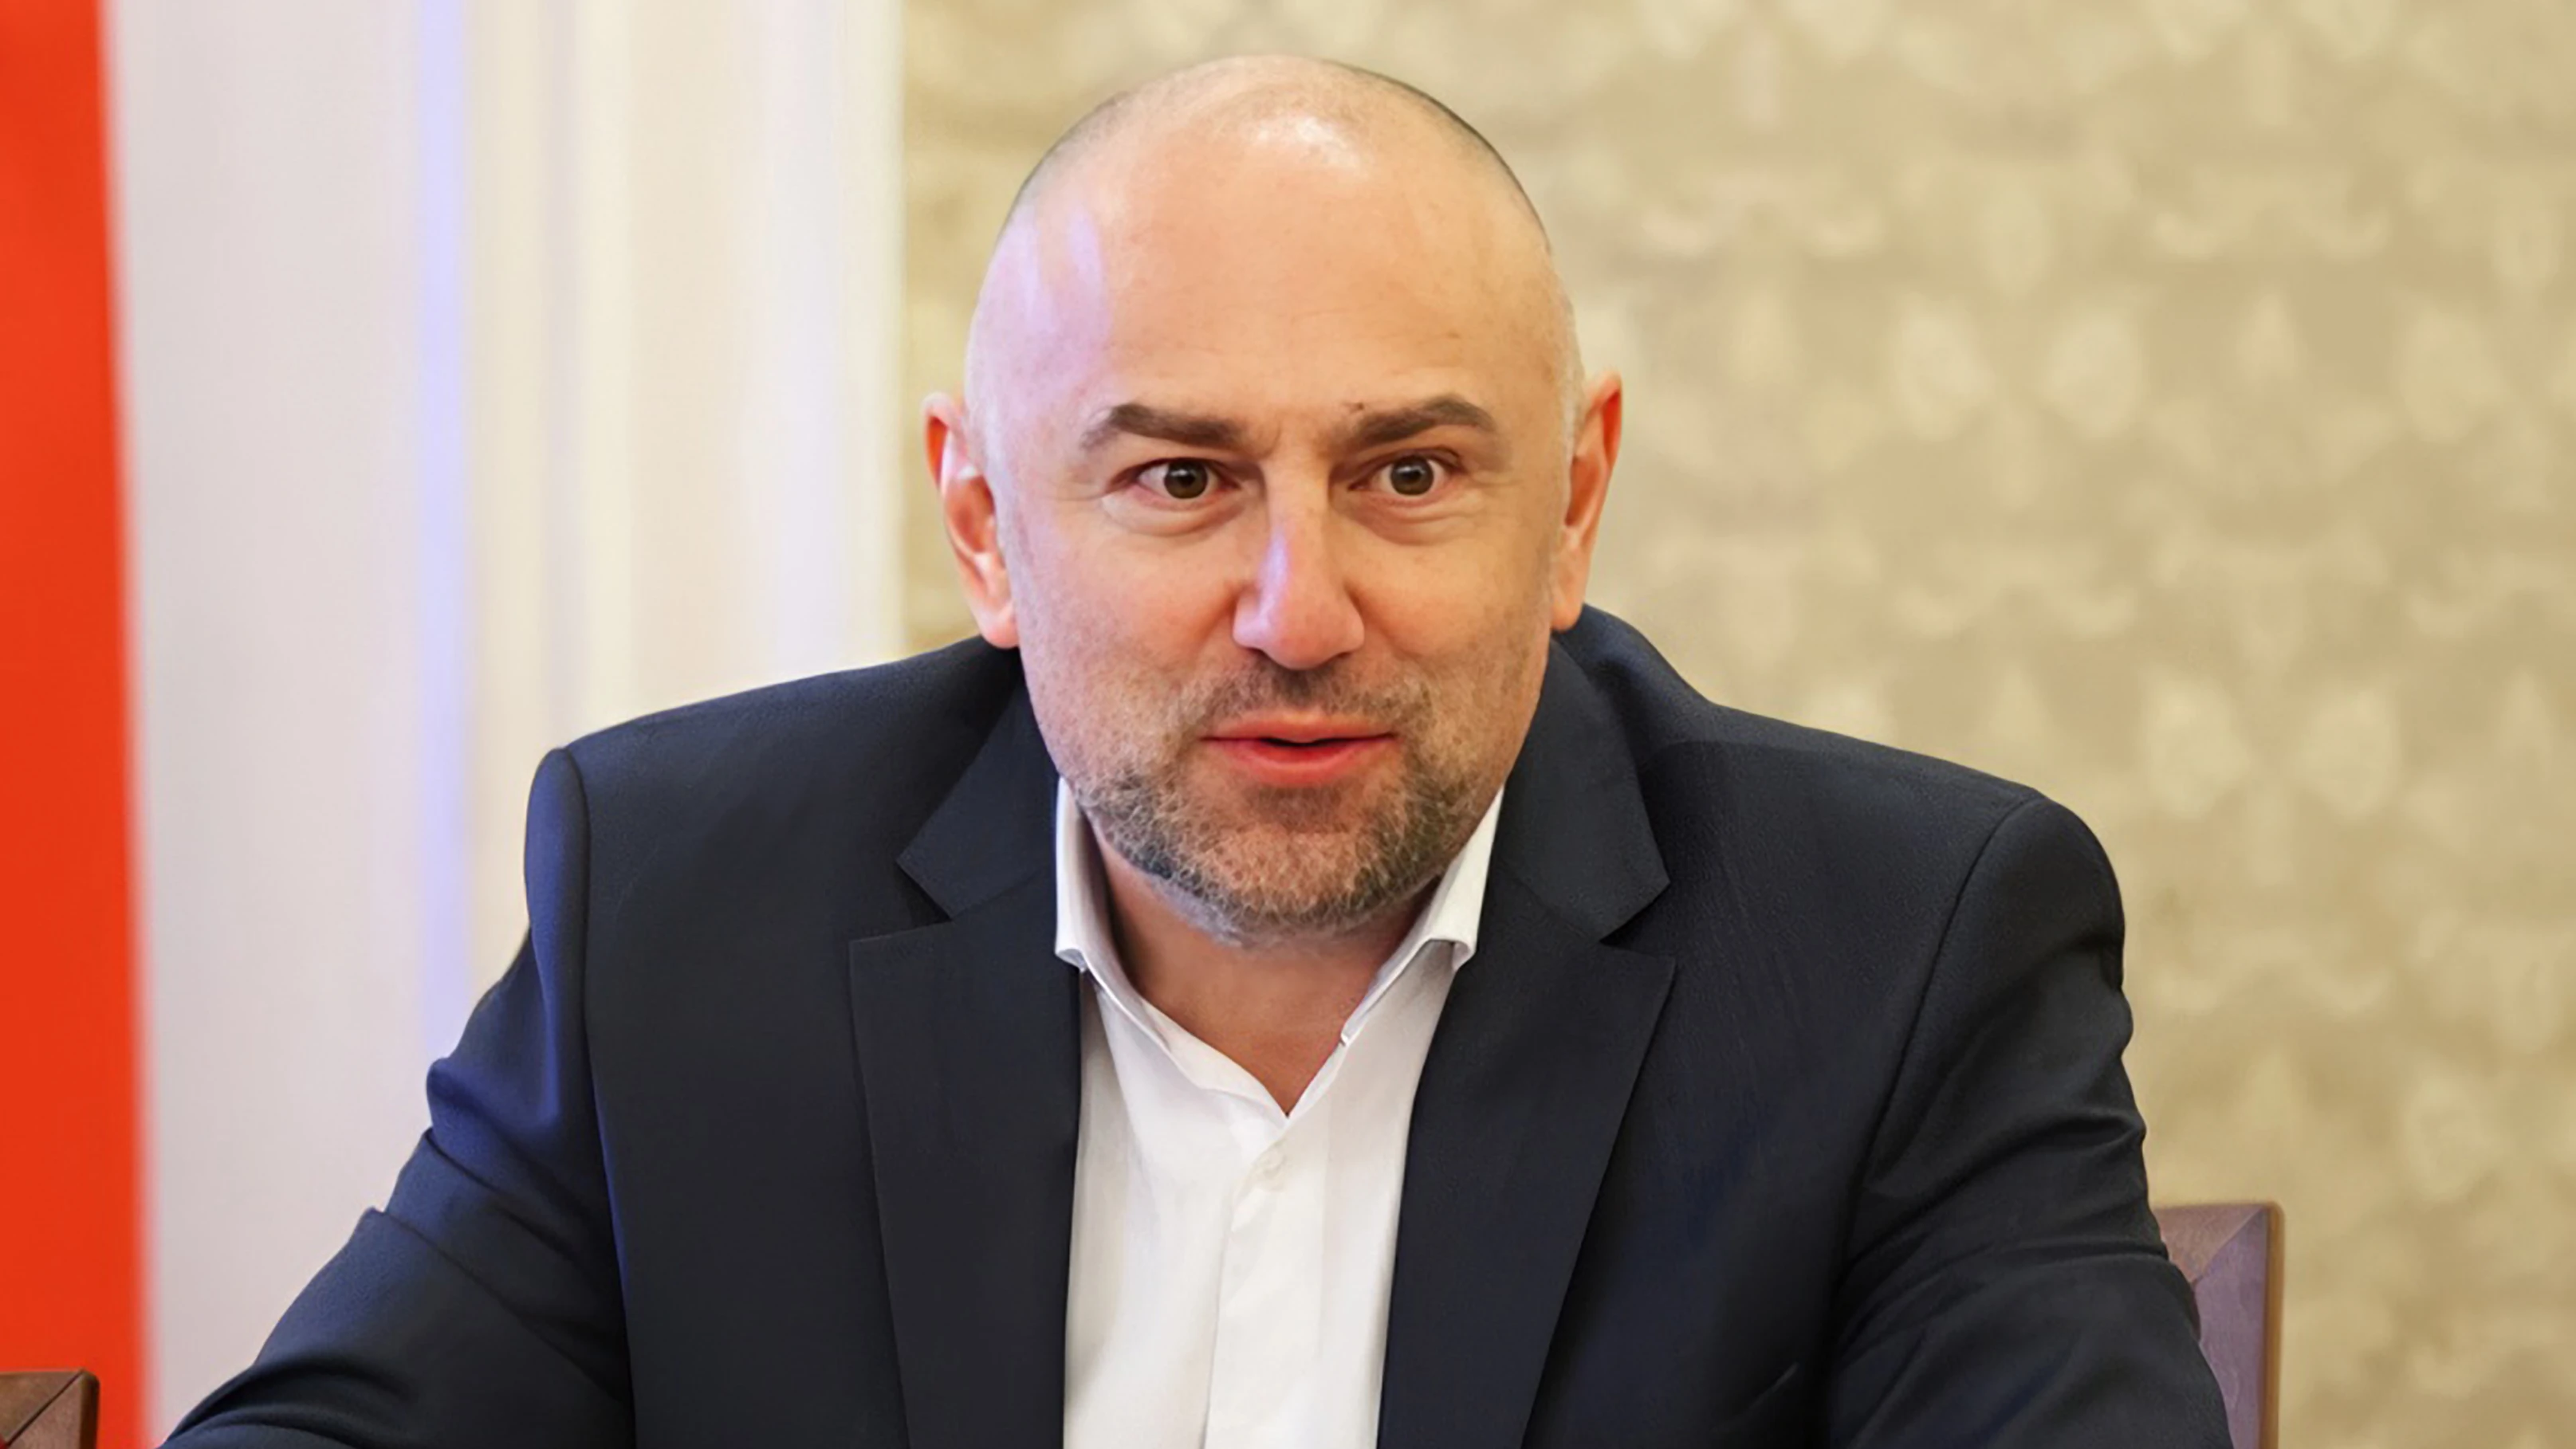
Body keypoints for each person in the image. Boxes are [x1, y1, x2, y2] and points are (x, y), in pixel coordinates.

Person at [166, 55, 2229, 1449]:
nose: (1297, 612)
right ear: (985, 525)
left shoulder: (1897, 949)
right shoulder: (684, 902)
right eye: (1178, 479)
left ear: (1573, 506)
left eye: (1408, 473)